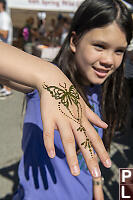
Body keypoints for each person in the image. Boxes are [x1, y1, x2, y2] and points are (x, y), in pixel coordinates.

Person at [0, 0, 132, 199]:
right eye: (99, 46)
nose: (108, 60)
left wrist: (97, 183)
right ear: (74, 41)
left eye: (118, 50)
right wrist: (47, 74)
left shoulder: (103, 90)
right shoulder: (45, 88)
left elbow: (93, 145)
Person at [0, 0, 13, 97]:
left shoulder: (4, 16)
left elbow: (5, 33)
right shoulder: (2, 15)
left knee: (5, 69)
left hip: (5, 47)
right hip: (3, 47)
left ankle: (8, 89)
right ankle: (5, 88)